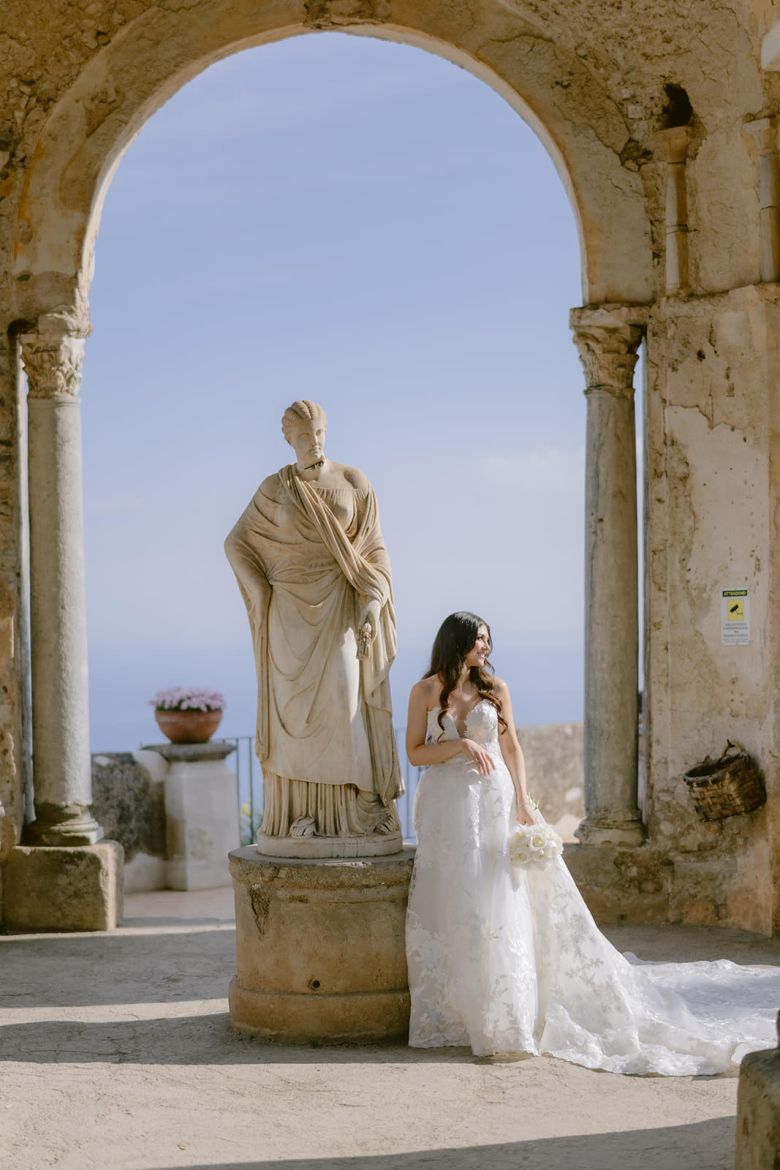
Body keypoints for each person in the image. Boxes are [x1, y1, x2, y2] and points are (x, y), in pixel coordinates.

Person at [405, 611, 779, 1074]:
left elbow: (513, 748)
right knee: (454, 900)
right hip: (447, 809)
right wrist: (461, 746)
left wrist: (524, 802)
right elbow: (415, 753)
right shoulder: (425, 691)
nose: (486, 648)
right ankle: (458, 1011)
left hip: (493, 800)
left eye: (488, 640)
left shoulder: (494, 690)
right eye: (479, 640)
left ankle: (507, 1016)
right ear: (457, 642)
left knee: (499, 898)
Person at [225, 400, 401, 841]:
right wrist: (261, 590)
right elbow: (236, 543)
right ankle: (299, 815)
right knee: (293, 717)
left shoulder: (353, 481)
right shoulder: (274, 488)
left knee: (346, 704)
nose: (314, 442)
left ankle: (358, 810)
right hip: (287, 615)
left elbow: (374, 551)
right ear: (289, 439)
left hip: (340, 605)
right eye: (304, 436)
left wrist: (373, 601)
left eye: (319, 433)